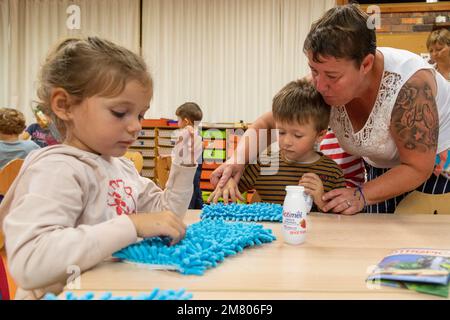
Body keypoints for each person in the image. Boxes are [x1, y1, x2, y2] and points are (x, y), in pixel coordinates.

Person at [0, 37, 201, 300]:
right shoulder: (57, 169)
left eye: (140, 115)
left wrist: (184, 166)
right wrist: (131, 225)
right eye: (120, 112)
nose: (136, 126)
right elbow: (31, 263)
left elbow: (167, 216)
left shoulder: (122, 167)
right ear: (63, 105)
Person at [211, 4, 450, 214]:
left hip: (436, 170)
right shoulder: (321, 81)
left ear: (365, 64)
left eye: (332, 76)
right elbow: (268, 124)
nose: (319, 85)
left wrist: (361, 195)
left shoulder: (410, 87)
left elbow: (417, 166)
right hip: (383, 169)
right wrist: (237, 160)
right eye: (314, 70)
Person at [209, 80, 346, 211]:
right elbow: (230, 183)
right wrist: (228, 182)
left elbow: (341, 221)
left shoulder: (333, 173)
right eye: (281, 132)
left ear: (320, 135)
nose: (286, 141)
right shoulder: (264, 163)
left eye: (297, 135)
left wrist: (321, 201)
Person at [175, 102, 204, 209]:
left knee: (189, 190)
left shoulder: (188, 132)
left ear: (186, 121)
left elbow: (183, 152)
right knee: (195, 188)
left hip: (190, 166)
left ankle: (189, 210)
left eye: (178, 120)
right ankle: (199, 208)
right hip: (196, 165)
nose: (177, 123)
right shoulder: (197, 133)